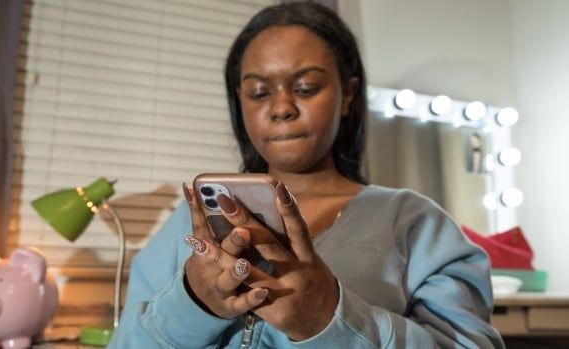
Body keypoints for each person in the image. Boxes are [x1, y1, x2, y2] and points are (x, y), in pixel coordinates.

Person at [108, 3, 505, 348]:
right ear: (240, 102)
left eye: (305, 87)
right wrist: (191, 306)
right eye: (259, 93)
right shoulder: (188, 224)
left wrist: (328, 317)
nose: (281, 107)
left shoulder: (416, 225)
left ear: (347, 94)